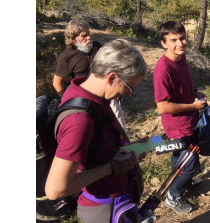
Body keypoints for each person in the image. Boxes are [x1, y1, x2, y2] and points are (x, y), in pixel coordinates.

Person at [45, 39, 150, 222]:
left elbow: (95, 149)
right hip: (103, 209)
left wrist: (131, 147)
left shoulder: (84, 93)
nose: (128, 94)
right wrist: (111, 167)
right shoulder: (80, 120)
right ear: (111, 78)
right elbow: (55, 189)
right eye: (129, 87)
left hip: (113, 203)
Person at [153, 21, 206, 215]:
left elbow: (182, 88)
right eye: (173, 40)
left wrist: (195, 93)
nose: (180, 43)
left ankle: (181, 183)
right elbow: (163, 107)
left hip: (189, 121)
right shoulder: (163, 69)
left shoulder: (181, 58)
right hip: (178, 127)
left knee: (182, 158)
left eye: (182, 38)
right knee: (190, 166)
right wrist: (193, 106)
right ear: (163, 43)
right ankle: (172, 196)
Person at [53, 19, 128, 131]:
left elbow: (110, 66)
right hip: (84, 100)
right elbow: (57, 83)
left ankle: (125, 146)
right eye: (84, 36)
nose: (89, 37)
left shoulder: (97, 47)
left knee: (119, 126)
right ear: (73, 39)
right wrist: (69, 101)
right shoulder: (67, 57)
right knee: (94, 130)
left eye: (89, 34)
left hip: (106, 94)